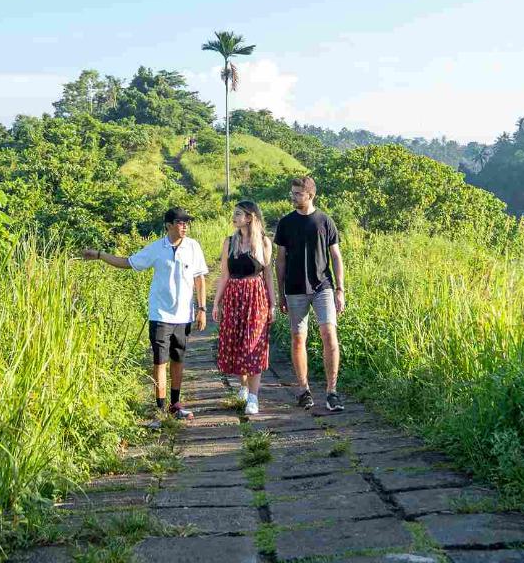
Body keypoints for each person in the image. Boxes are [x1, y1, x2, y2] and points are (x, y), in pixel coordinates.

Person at [78, 206, 209, 420]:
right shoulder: (157, 248)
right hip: (160, 314)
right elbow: (128, 262)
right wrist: (100, 255)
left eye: (187, 223)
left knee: (178, 358)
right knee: (160, 361)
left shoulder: (193, 247)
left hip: (184, 314)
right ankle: (160, 408)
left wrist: (202, 309)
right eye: (180, 222)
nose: (185, 226)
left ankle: (175, 404)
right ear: (168, 225)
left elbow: (200, 278)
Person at [273, 175, 346, 412]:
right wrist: (281, 293)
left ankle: (332, 391)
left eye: (298, 193)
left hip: (323, 286)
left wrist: (340, 289)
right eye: (292, 193)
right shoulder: (285, 223)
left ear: (310, 195)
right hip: (295, 288)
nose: (293, 197)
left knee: (329, 334)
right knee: (298, 338)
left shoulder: (325, 221)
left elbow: (336, 256)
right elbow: (280, 260)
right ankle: (304, 390)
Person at [211, 200, 276, 417]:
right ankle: (244, 385)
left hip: (256, 296)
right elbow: (224, 275)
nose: (234, 217)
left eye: (238, 214)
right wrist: (216, 303)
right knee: (238, 343)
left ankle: (254, 397)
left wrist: (273, 304)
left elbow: (268, 276)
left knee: (254, 344)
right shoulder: (229, 242)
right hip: (233, 297)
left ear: (249, 218)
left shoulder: (264, 242)